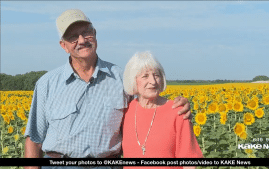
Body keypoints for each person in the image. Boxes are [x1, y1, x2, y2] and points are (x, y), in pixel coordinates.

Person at [24, 9, 191, 169]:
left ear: (95, 34)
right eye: (73, 37)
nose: (82, 40)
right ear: (64, 45)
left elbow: (147, 112)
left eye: (86, 33)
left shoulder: (121, 79)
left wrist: (174, 107)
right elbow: (34, 138)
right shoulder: (47, 84)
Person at [122, 51, 204, 169]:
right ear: (133, 80)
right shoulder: (127, 110)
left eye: (156, 75)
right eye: (145, 76)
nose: (153, 81)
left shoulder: (177, 111)